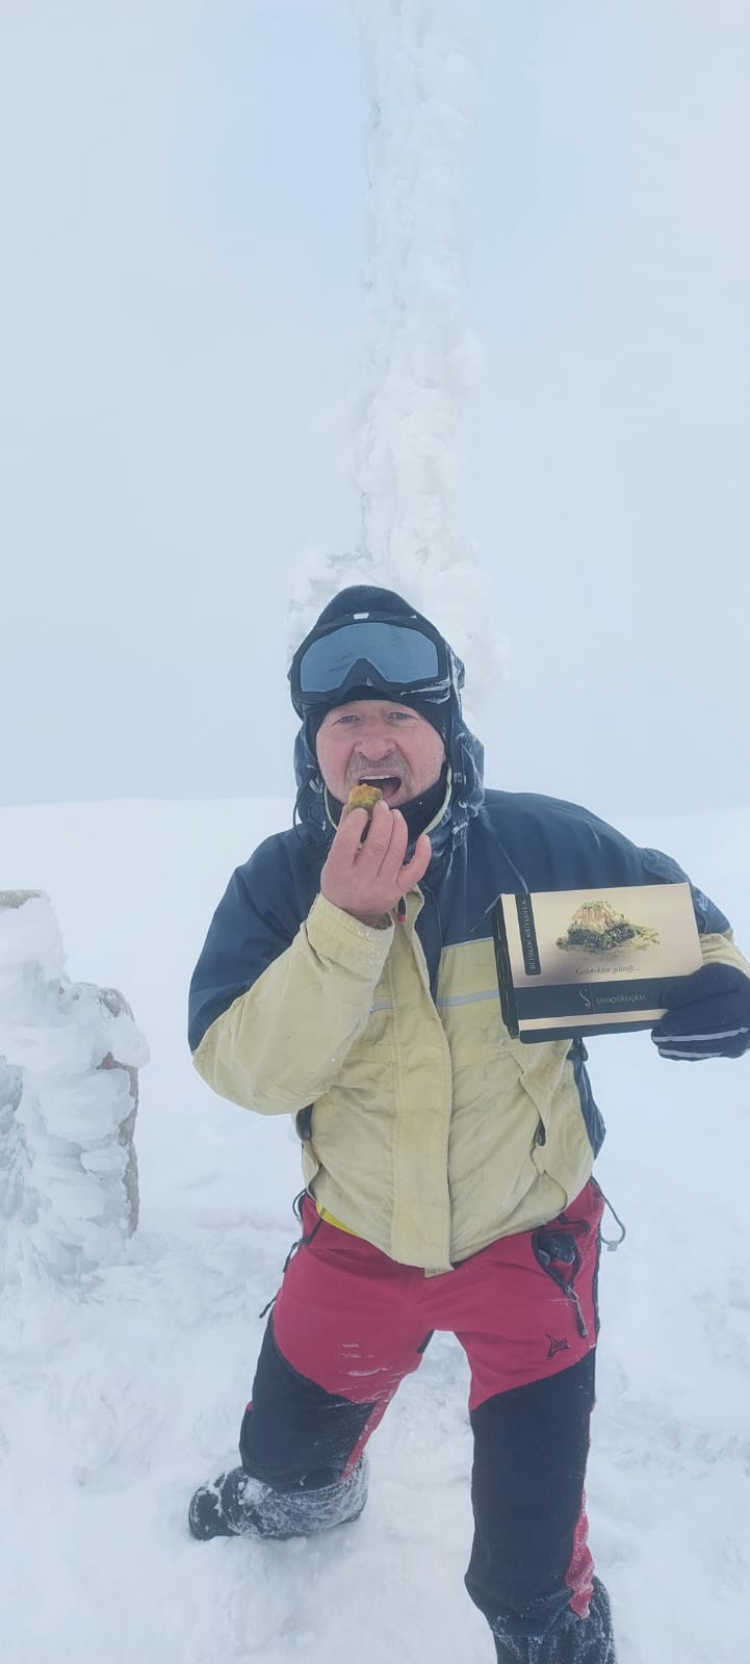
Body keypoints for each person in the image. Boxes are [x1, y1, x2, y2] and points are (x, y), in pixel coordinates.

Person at [186, 585, 750, 1664]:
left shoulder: (540, 847)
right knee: (287, 1457)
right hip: (355, 1240)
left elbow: (699, 940)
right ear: (315, 749)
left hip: (528, 1242)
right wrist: (344, 925)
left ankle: (551, 1624)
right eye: (344, 720)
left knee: (528, 1559)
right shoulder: (276, 885)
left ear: (446, 730)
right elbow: (245, 1067)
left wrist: (718, 988)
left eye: (402, 713)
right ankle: (297, 1497)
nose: (373, 737)